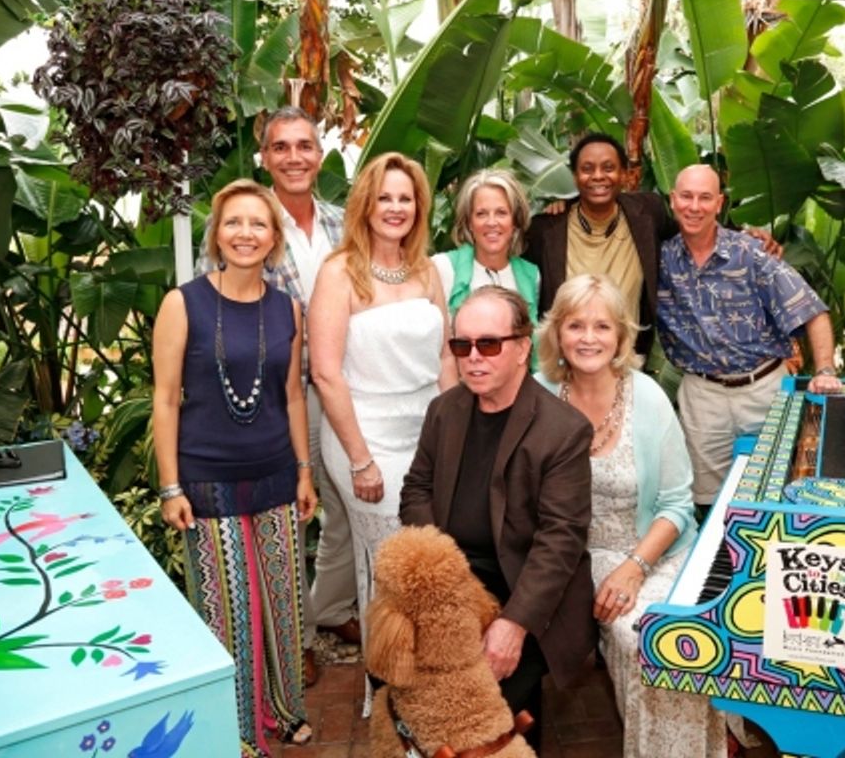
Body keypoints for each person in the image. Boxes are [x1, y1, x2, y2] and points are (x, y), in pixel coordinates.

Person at [535, 273, 751, 757]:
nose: (588, 338)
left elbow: (677, 504)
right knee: (641, 639)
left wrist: (636, 567)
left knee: (685, 634)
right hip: (580, 555)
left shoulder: (647, 396)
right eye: (575, 326)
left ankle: (709, 744)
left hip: (660, 548)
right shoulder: (539, 395)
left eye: (601, 327)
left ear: (620, 336)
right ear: (557, 334)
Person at [153, 179, 318, 756]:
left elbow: (293, 397)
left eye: (258, 224)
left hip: (275, 470)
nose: (246, 234)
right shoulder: (184, 302)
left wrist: (303, 472)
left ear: (274, 239)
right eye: (234, 223)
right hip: (207, 480)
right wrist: (170, 485)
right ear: (216, 235)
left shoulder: (287, 307)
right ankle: (238, 729)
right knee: (228, 613)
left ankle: (283, 708)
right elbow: (166, 398)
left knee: (283, 603)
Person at [197, 106, 360, 688]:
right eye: (281, 146)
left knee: (346, 507)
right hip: (277, 394)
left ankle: (332, 609)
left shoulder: (345, 223)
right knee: (290, 514)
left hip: (346, 383)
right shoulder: (246, 221)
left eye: (305, 145)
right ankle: (296, 637)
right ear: (264, 156)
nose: (294, 156)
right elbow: (212, 311)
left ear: (320, 155)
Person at [399, 286, 597, 751]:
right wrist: (443, 580)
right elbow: (416, 491)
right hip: (454, 580)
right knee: (405, 682)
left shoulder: (562, 431)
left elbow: (560, 539)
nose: (473, 357)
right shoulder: (444, 412)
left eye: (489, 344)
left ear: (523, 348)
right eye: (461, 345)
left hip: (525, 594)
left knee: (484, 718)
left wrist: (513, 624)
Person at [307, 151, 456, 710]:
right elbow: (325, 372)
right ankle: (390, 693)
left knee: (429, 557)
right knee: (390, 565)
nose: (396, 207)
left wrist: (453, 438)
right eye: (386, 197)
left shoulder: (426, 272)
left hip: (426, 432)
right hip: (363, 434)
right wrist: (361, 459)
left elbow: (445, 357)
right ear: (366, 204)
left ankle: (429, 680)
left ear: (419, 207)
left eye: (406, 197)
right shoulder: (338, 272)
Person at [658, 164, 843, 521]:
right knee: (708, 501)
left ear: (719, 204)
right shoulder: (661, 258)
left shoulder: (751, 253)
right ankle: (721, 567)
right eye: (686, 196)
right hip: (702, 394)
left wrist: (824, 370)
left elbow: (812, 311)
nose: (694, 206)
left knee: (779, 488)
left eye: (704, 197)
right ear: (673, 200)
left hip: (763, 388)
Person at [526, 132, 779, 356]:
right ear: (575, 176)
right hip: (566, 361)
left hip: (626, 360)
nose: (598, 176)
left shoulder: (647, 213)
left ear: (624, 175)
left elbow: (692, 228)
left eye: (608, 167)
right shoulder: (547, 229)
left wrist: (746, 234)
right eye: (588, 168)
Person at [431, 167, 540, 321]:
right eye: (481, 214)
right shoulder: (444, 267)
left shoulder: (531, 275)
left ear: (515, 220)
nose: (491, 222)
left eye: (501, 213)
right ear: (469, 222)